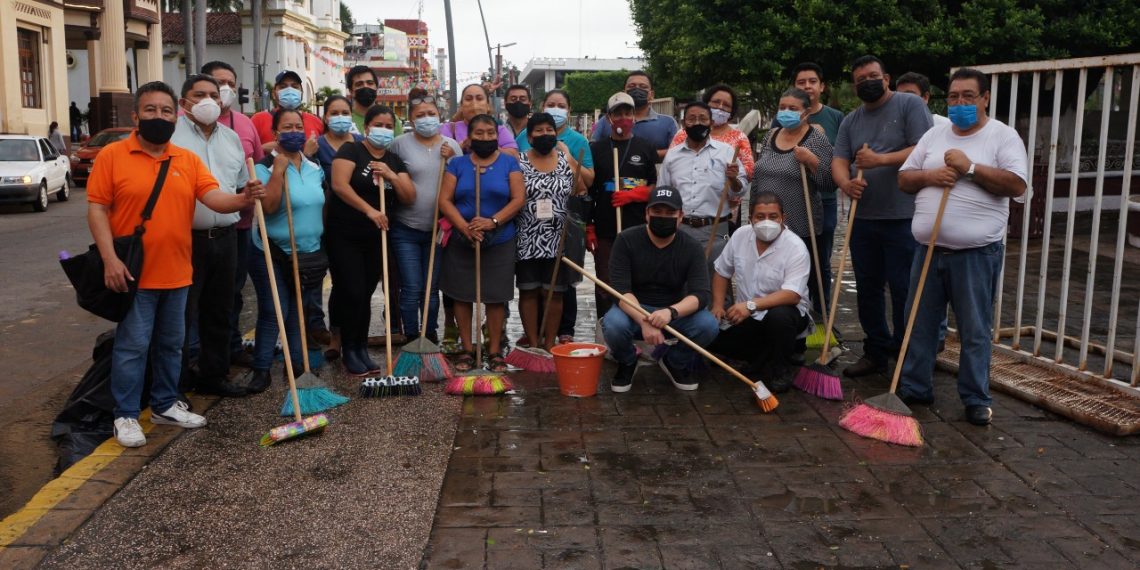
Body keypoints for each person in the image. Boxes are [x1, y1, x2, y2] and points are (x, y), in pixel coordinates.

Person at [86, 81, 264, 448]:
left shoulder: (185, 158)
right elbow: (97, 209)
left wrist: (243, 198)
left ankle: (167, 404)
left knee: (172, 344)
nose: (159, 117)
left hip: (179, 271)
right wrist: (109, 260)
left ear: (175, 115)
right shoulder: (113, 156)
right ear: (136, 116)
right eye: (150, 110)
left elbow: (214, 198)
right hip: (135, 273)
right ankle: (126, 414)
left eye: (166, 111)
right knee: (133, 346)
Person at [896, 68, 1028, 426]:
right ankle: (914, 388)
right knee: (918, 326)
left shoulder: (1003, 137)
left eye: (968, 96)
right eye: (953, 97)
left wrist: (970, 168)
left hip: (975, 255)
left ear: (985, 98)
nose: (959, 103)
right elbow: (905, 178)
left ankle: (975, 397)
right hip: (927, 249)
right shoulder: (934, 136)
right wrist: (931, 176)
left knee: (973, 330)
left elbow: (1017, 185)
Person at [832, 55, 932, 378]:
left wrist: (879, 160)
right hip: (864, 219)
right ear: (854, 85)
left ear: (886, 77)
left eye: (873, 76)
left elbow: (923, 149)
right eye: (860, 79)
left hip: (904, 217)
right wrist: (845, 183)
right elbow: (839, 159)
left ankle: (906, 356)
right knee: (868, 288)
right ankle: (875, 351)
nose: (867, 82)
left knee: (904, 289)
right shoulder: (850, 121)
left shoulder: (909, 106)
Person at [171, 74, 250, 397]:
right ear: (183, 102)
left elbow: (240, 186)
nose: (208, 101)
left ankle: (214, 375)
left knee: (220, 309)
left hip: (226, 236)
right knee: (180, 315)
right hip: (185, 239)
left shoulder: (231, 139)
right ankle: (173, 384)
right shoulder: (172, 137)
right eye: (199, 94)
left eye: (213, 95)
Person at [603, 186, 719, 392]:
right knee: (613, 325)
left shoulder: (691, 247)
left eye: (670, 213)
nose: (663, 217)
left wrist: (670, 312)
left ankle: (675, 360)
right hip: (633, 308)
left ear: (680, 216)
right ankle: (628, 360)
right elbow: (620, 290)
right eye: (657, 212)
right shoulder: (626, 240)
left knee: (708, 324)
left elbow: (701, 294)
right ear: (647, 213)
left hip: (674, 311)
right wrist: (644, 320)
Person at [329, 105, 414, 376]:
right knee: (351, 291)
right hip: (345, 234)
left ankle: (361, 346)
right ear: (366, 127)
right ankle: (349, 350)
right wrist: (369, 210)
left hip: (377, 237)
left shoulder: (393, 160)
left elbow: (408, 196)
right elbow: (340, 185)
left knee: (365, 293)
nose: (384, 130)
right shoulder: (351, 150)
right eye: (379, 124)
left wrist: (390, 176)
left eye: (389, 126)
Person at [437, 114, 525, 373]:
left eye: (490, 133)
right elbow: (444, 200)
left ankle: (495, 350)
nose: (485, 138)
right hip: (463, 237)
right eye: (479, 133)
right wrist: (464, 227)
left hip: (500, 239)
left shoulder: (509, 163)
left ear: (497, 137)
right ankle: (467, 349)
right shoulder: (458, 164)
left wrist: (493, 222)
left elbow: (518, 199)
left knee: (496, 297)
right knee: (462, 296)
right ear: (469, 137)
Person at [249, 108, 328, 390]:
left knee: (297, 311)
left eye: (299, 126)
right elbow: (268, 208)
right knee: (275, 310)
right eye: (287, 127)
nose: (294, 132)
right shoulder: (261, 168)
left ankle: (297, 368)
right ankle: (260, 370)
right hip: (271, 251)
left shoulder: (314, 167)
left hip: (306, 252)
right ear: (275, 133)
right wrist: (278, 172)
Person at [515, 89, 597, 345]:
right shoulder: (519, 162)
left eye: (549, 130)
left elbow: (581, 189)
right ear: (529, 136)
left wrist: (570, 158)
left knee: (556, 292)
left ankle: (550, 342)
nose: (545, 135)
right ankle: (532, 339)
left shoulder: (565, 160)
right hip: (527, 235)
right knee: (529, 291)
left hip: (559, 237)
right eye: (538, 131)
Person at [709, 192, 812, 393]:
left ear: (783, 218)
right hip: (746, 317)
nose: (767, 222)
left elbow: (792, 294)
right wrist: (718, 305)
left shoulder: (796, 247)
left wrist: (751, 305)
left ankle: (780, 369)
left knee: (779, 316)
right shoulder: (740, 236)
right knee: (708, 336)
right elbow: (721, 272)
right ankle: (760, 356)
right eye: (760, 216)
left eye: (773, 217)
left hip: (784, 316)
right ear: (750, 219)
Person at [201, 60, 265, 370]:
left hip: (239, 227)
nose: (222, 91)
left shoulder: (243, 126)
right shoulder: (182, 129)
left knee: (232, 293)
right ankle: (196, 356)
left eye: (228, 83)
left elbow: (256, 166)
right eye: (216, 84)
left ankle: (231, 348)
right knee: (198, 297)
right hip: (196, 229)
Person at [750, 87, 834, 316]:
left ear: (806, 113)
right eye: (782, 107)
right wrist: (751, 218)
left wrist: (812, 161)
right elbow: (757, 177)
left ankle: (809, 327)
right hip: (767, 225)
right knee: (769, 280)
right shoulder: (771, 135)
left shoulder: (816, 139)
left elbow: (829, 183)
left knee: (803, 284)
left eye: (793, 109)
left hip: (801, 226)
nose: (786, 112)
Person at [388, 89, 461, 340]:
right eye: (421, 115)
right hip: (405, 228)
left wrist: (451, 160)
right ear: (411, 118)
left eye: (431, 113)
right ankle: (411, 337)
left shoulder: (451, 146)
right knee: (411, 287)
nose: (427, 118)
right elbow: (390, 183)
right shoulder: (399, 144)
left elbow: (459, 185)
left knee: (431, 290)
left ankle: (429, 337)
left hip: (439, 231)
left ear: (439, 116)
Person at [587, 92, 658, 318]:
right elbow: (588, 191)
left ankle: (636, 326)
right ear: (609, 118)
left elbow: (656, 188)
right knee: (606, 282)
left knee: (637, 279)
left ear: (634, 116)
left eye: (628, 113)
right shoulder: (596, 149)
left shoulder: (645, 147)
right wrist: (589, 227)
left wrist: (634, 195)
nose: (623, 118)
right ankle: (605, 328)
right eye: (618, 114)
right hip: (606, 228)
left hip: (637, 227)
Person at [658, 101, 747, 277]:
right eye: (692, 119)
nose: (697, 123)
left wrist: (733, 179)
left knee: (717, 284)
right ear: (684, 124)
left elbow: (740, 190)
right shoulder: (673, 155)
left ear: (711, 122)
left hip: (715, 229)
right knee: (681, 282)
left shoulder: (727, 152)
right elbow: (664, 193)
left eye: (703, 118)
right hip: (680, 229)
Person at [786, 62, 847, 296]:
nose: (807, 86)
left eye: (812, 82)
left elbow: (842, 157)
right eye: (801, 82)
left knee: (821, 260)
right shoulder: (784, 117)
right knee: (790, 257)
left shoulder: (836, 118)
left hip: (824, 199)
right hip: (791, 199)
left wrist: (814, 155)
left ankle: (822, 313)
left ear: (822, 86)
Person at [670, 83, 754, 178]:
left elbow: (749, 171)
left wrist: (730, 172)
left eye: (726, 105)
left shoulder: (739, 138)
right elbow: (671, 163)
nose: (720, 107)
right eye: (716, 102)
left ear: (731, 112)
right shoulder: (684, 133)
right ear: (706, 104)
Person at [591, 71, 678, 160]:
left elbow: (677, 152)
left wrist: (642, 154)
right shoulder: (607, 121)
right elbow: (591, 151)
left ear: (651, 94)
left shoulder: (668, 123)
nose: (637, 90)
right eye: (631, 86)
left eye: (643, 87)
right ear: (624, 92)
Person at [251, 70, 324, 156]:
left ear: (301, 93)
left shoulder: (315, 121)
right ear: (274, 94)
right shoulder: (258, 120)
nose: (289, 90)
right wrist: (262, 148)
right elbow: (247, 154)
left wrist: (307, 154)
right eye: (283, 87)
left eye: (295, 86)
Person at [441, 84, 519, 157]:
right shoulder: (449, 129)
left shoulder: (500, 130)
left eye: (479, 98)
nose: (474, 103)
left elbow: (515, 157)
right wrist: (461, 147)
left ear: (488, 105)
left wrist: (489, 146)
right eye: (468, 99)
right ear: (461, 106)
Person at [344, 65, 401, 138]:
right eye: (359, 84)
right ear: (351, 91)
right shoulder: (344, 119)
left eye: (370, 83)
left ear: (376, 88)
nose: (365, 86)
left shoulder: (390, 119)